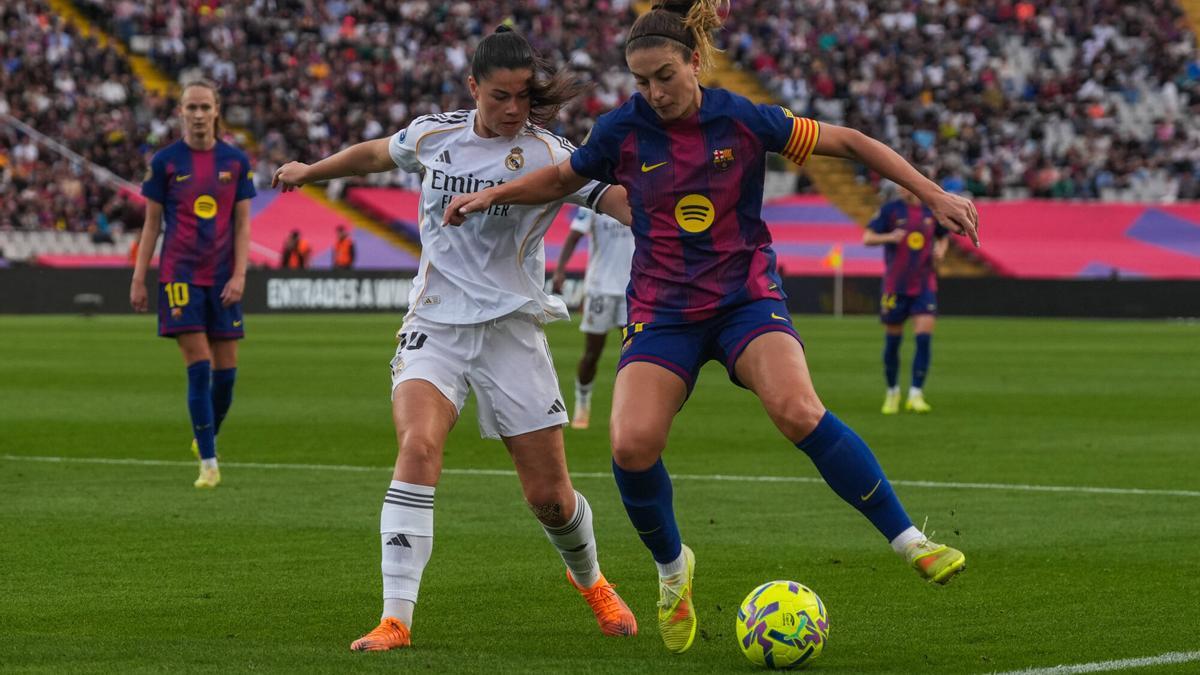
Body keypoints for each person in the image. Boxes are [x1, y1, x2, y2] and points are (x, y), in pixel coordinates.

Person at [444, 0, 980, 654]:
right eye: (642, 81)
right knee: (631, 444)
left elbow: (849, 142)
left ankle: (910, 539)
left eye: (665, 76)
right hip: (664, 310)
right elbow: (561, 177)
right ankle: (674, 569)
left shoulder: (742, 118)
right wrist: (489, 196)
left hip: (744, 298)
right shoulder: (622, 130)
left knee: (796, 407)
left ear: (693, 62)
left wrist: (933, 193)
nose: (655, 92)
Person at [272, 26, 638, 652]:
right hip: (435, 324)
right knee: (418, 446)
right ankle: (396, 619)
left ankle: (594, 581)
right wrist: (312, 170)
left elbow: (613, 200)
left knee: (549, 498)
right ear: (473, 87)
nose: (513, 109)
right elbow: (373, 154)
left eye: (523, 96)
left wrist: (683, 222)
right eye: (500, 96)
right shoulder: (433, 135)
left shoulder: (550, 153)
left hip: (512, 330)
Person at [130, 78, 254, 489]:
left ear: (216, 111)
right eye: (191, 108)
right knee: (199, 367)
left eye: (205, 107)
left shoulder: (235, 161)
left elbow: (241, 224)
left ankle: (205, 436)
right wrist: (139, 277)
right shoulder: (165, 162)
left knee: (228, 376)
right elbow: (150, 224)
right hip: (179, 276)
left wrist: (239, 275)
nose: (198, 115)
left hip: (222, 278)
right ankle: (209, 461)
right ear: (180, 112)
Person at [863, 185, 949, 414]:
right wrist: (889, 236)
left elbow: (943, 237)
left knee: (923, 339)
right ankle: (892, 392)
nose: (900, 188)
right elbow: (867, 237)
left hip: (924, 285)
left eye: (904, 183)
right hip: (895, 286)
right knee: (893, 343)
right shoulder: (890, 210)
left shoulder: (931, 211)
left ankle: (915, 394)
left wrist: (941, 250)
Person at [551, 207, 635, 429]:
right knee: (591, 354)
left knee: (633, 355)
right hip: (600, 289)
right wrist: (560, 271)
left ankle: (628, 411)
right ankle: (582, 405)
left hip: (633, 289)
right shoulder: (596, 201)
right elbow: (573, 236)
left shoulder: (638, 193)